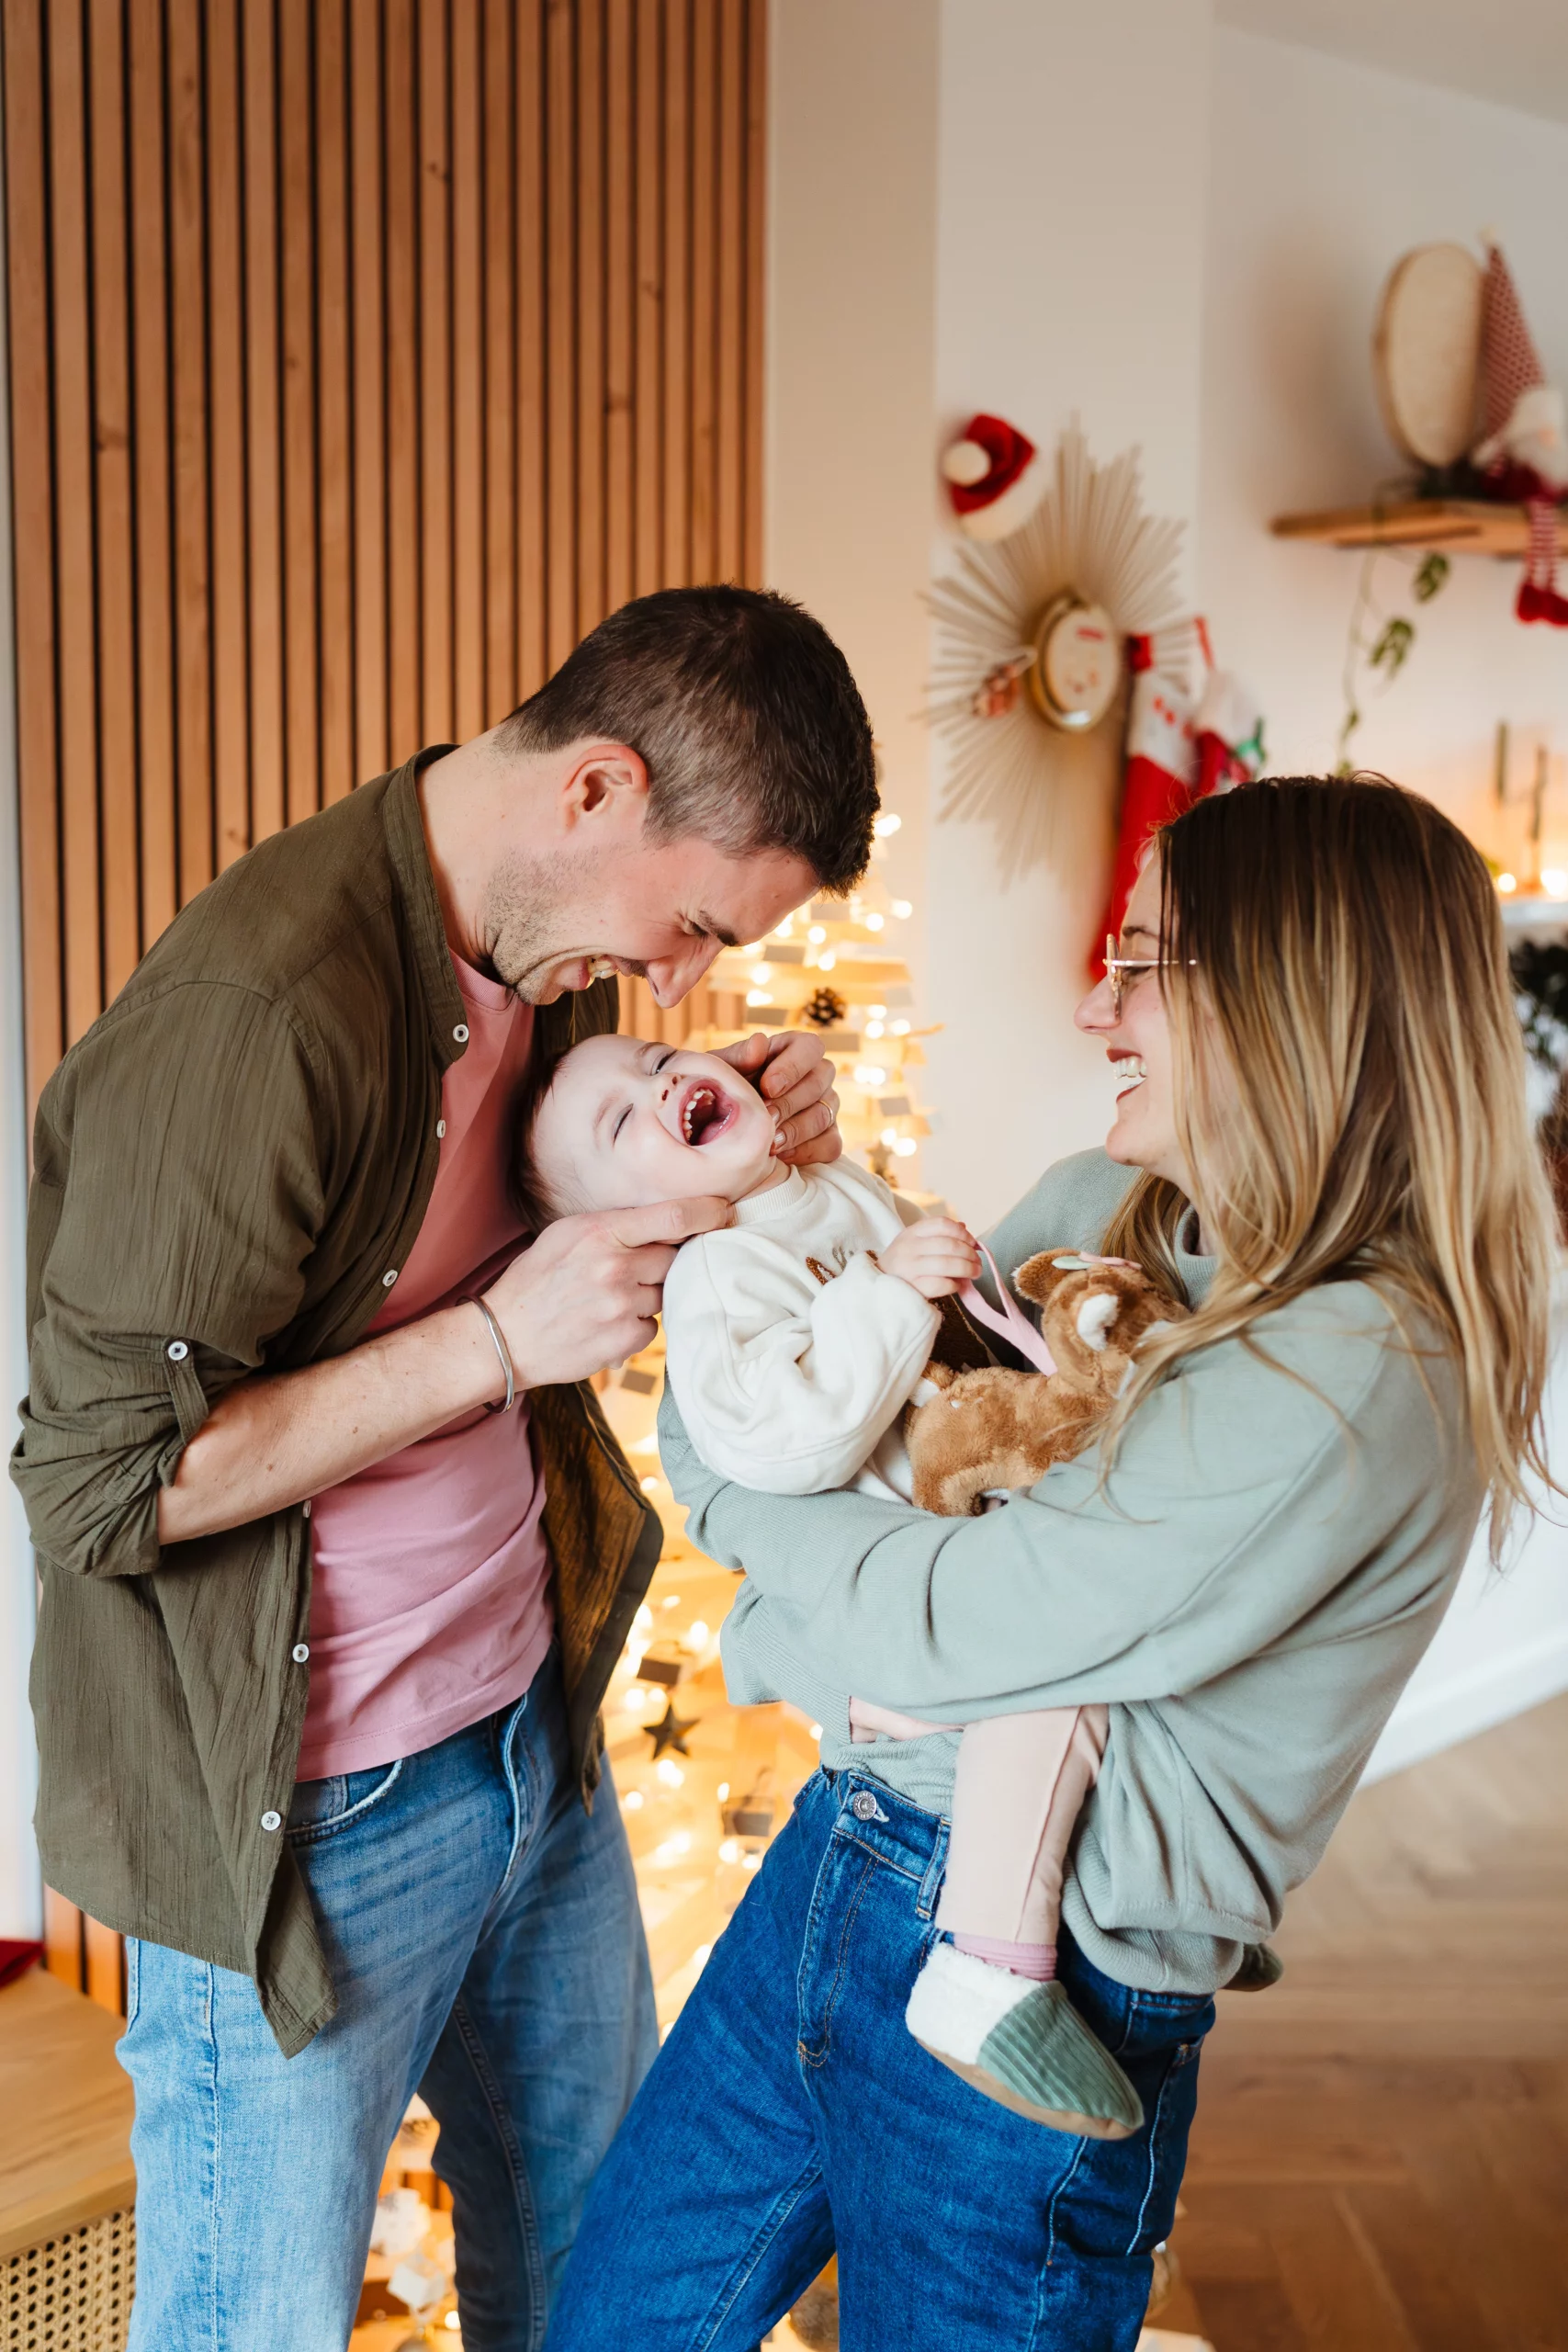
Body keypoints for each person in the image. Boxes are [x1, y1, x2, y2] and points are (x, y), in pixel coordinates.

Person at [545, 775, 1558, 2352]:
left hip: (1041, 1979)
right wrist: (764, 1196)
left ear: (1284, 998)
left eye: (1143, 960)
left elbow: (938, 1619)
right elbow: (846, 1408)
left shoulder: (1351, 1368)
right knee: (608, 2324)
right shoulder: (1110, 1205)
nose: (1100, 998)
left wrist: (756, 1533)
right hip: (842, 1862)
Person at [11, 585, 876, 2352]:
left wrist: (720, 1124)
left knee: (604, 2299)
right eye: (697, 922)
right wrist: (490, 1349)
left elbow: (517, 1212)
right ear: (594, 793)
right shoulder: (262, 1019)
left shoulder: (531, 951)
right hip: (315, 1823)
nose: (683, 976)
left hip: (524, 1750)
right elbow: (100, 1489)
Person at [517, 1028, 1156, 2140]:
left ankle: (1147, 1886)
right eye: (622, 1120)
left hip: (965, 1496)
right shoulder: (714, 1272)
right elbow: (774, 1437)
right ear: (630, 1224)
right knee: (1062, 1674)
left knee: (1117, 1635)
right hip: (909, 1563)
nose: (660, 1082)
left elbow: (935, 1318)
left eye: (656, 1056)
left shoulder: (824, 1187)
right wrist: (890, 1296)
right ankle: (990, 1967)